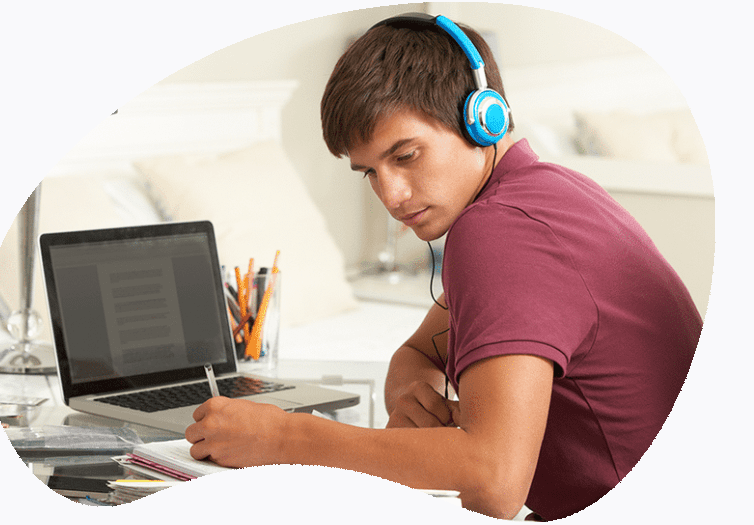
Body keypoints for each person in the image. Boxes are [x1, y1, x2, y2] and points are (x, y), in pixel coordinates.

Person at [185, 13, 702, 520]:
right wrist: (415, 393)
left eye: (406, 156)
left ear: (483, 118)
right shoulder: (550, 191)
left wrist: (284, 437)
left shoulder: (501, 230)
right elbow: (415, 353)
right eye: (369, 172)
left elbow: (493, 483)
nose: (390, 194)